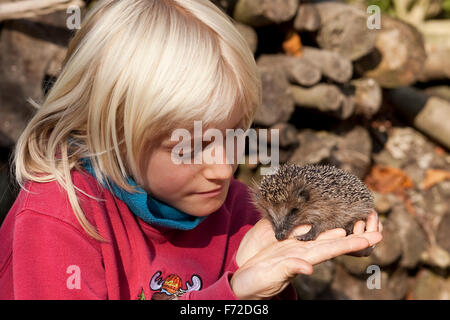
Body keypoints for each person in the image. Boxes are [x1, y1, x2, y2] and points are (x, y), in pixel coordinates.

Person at [0, 0, 382, 300]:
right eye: (189, 148)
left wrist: (275, 279)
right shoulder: (57, 219)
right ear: (109, 133)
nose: (222, 169)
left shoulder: (234, 208)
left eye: (234, 136)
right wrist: (233, 293)